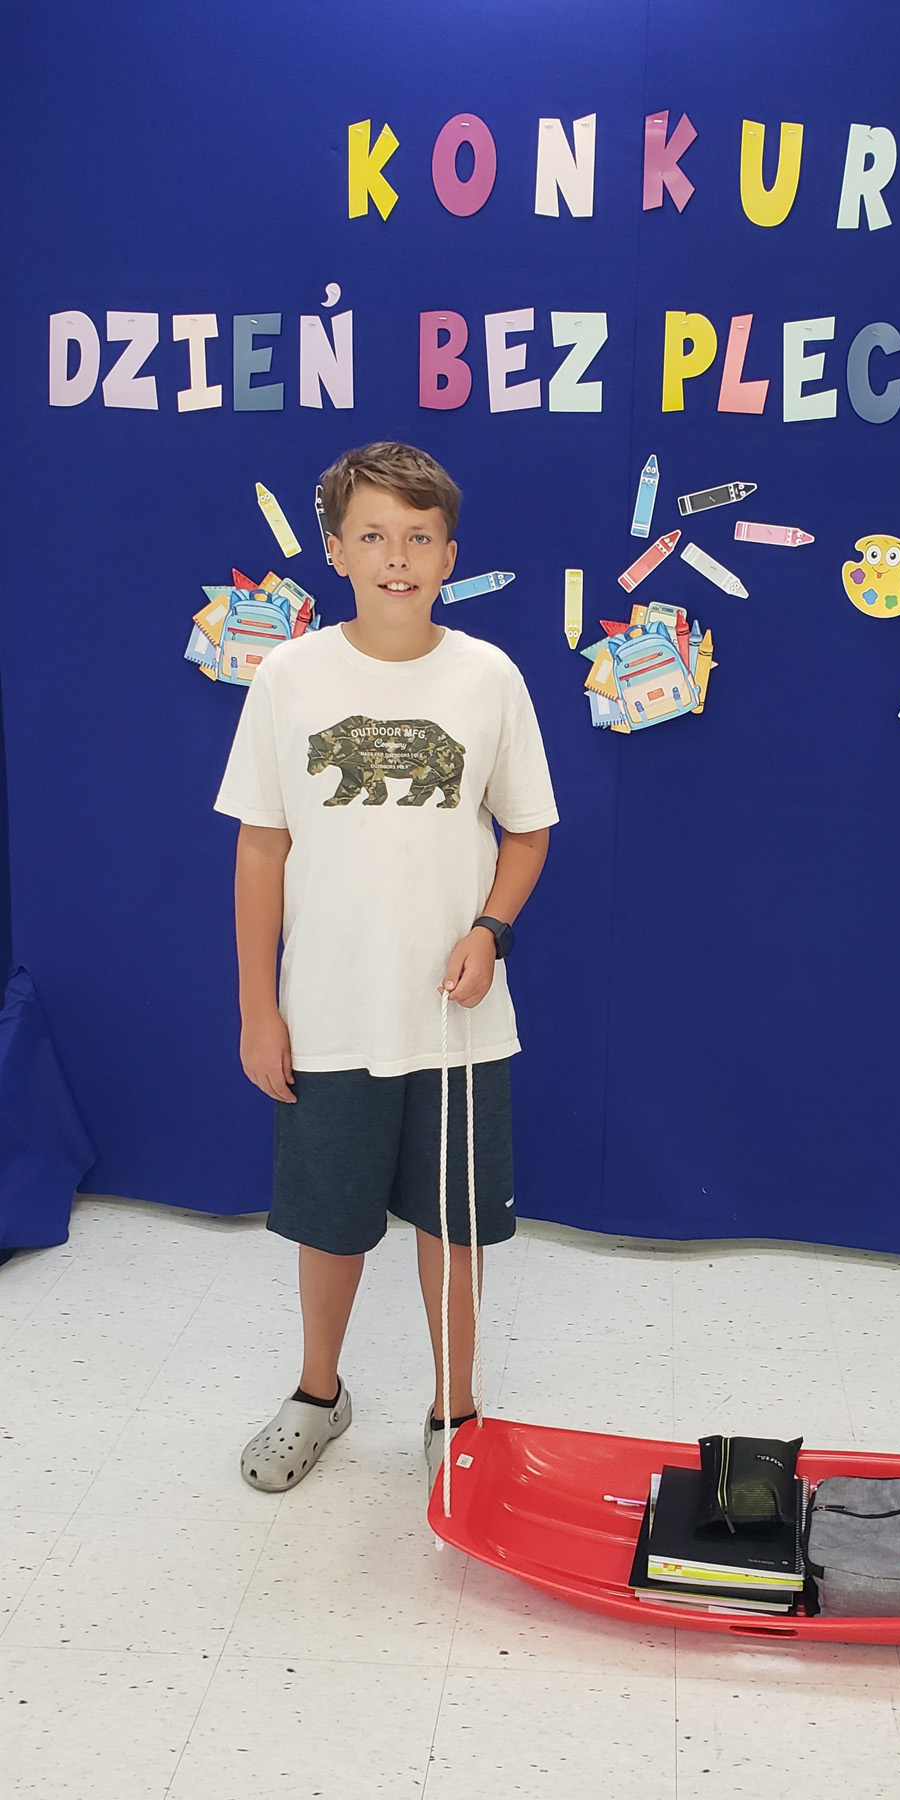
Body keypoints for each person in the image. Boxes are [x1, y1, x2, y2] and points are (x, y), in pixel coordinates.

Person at [213, 441, 558, 1495]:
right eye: (372, 535)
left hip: (458, 1020)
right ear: (335, 550)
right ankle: (318, 1393)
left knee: (455, 1225)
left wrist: (490, 929)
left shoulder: (488, 677)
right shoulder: (289, 678)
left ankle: (456, 1411)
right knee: (328, 1224)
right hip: (327, 1011)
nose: (395, 557)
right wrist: (258, 1009)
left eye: (417, 537)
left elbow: (528, 831)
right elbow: (260, 846)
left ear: (449, 554)